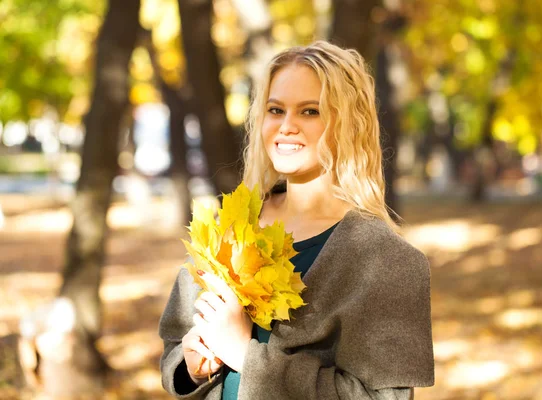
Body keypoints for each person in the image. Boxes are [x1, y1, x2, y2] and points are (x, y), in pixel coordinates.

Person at [159, 41, 434, 399]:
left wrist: (245, 355)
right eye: (276, 110)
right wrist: (193, 365)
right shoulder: (230, 229)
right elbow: (174, 346)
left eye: (310, 111)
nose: (287, 126)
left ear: (348, 124)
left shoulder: (388, 261)